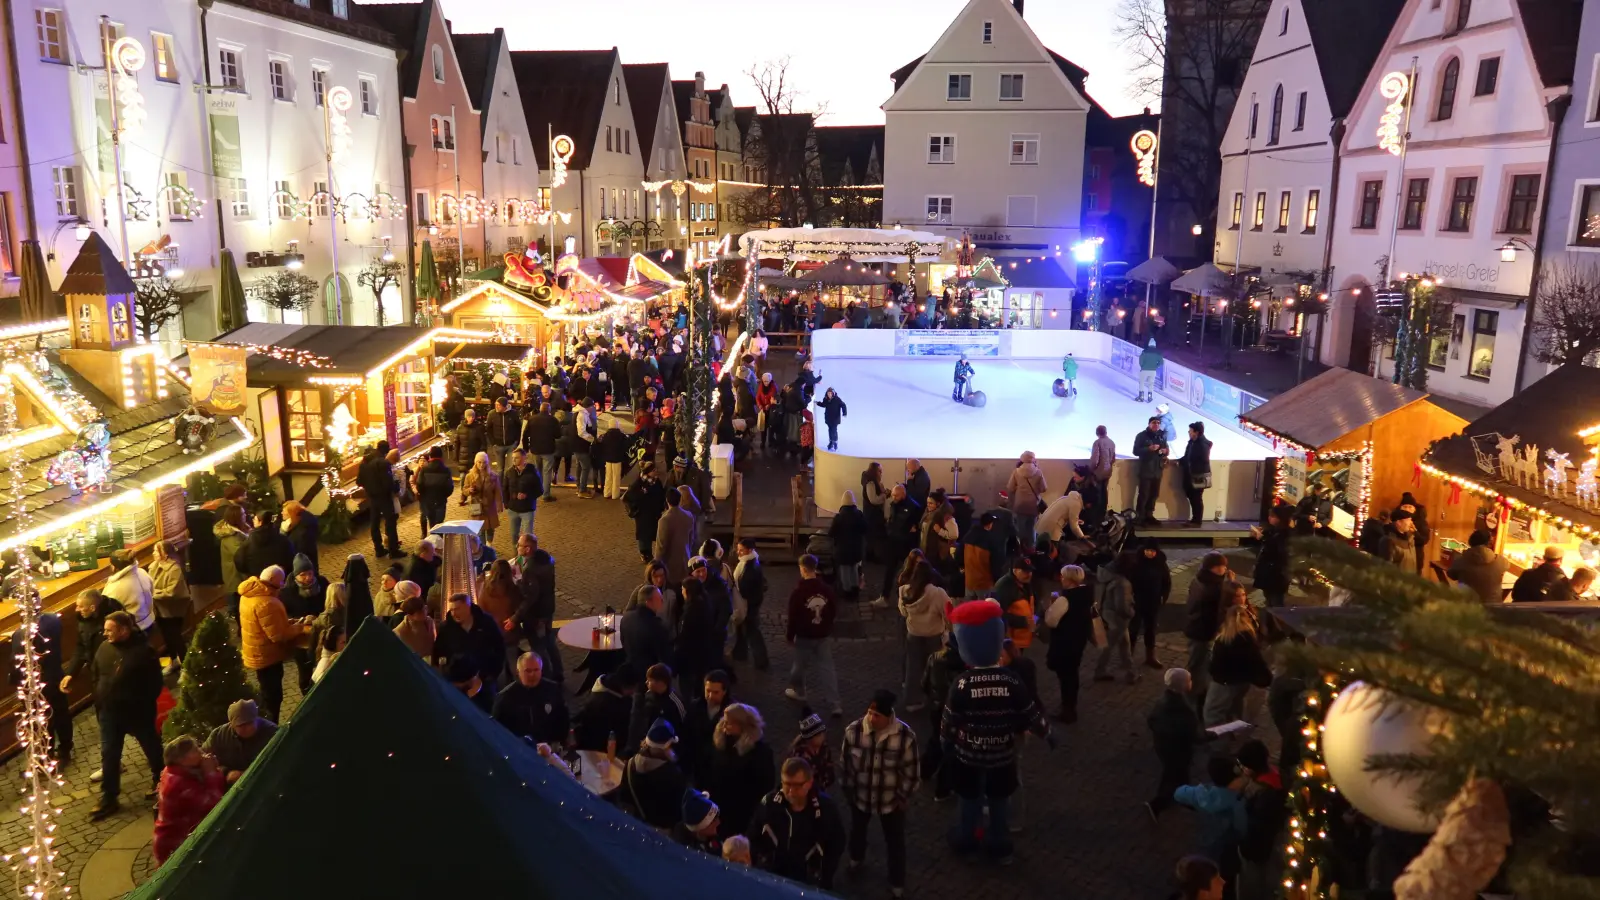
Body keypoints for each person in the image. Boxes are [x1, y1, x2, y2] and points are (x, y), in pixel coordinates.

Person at [941, 600, 1050, 863]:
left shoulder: (962, 683)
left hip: (969, 755)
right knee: (1000, 802)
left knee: (969, 800)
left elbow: (949, 721)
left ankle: (968, 840)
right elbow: (1029, 710)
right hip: (1003, 754)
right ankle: (999, 845)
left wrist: (947, 745)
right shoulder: (1011, 679)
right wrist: (1047, 732)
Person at [71, 611, 162, 819]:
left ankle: (161, 780)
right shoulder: (105, 648)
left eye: (109, 630)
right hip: (110, 713)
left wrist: (137, 703)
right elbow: (96, 673)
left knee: (152, 748)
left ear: (124, 630)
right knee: (109, 753)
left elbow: (154, 685)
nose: (105, 634)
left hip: (137, 713)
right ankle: (109, 797)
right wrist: (101, 699)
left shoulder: (144, 652)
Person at [840, 690, 919, 898]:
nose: (872, 719)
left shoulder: (905, 737)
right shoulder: (853, 732)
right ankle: (855, 859)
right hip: (861, 797)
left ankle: (896, 882)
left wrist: (903, 797)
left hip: (890, 801)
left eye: (877, 716)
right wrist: (848, 791)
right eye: (870, 713)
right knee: (857, 831)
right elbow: (845, 766)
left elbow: (911, 772)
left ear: (888, 716)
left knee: (895, 842)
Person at [750, 756, 846, 889]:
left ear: (809, 782)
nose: (790, 791)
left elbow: (837, 844)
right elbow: (753, 835)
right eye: (786, 784)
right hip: (772, 877)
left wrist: (825, 876)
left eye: (796, 785)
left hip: (808, 882)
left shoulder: (825, 809)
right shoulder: (769, 805)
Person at [238, 567, 309, 725]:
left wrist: (287, 622)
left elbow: (266, 625)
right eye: (280, 584)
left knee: (266, 691)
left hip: (256, 653)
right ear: (272, 583)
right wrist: (298, 627)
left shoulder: (248, 595)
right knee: (273, 696)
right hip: (268, 656)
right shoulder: (267, 603)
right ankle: (270, 727)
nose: (282, 587)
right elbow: (278, 635)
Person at [1146, 668, 1215, 819]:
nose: (1191, 682)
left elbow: (1151, 720)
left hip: (1163, 746)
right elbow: (1194, 737)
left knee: (1179, 775)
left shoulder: (1162, 700)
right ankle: (1157, 804)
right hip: (1177, 751)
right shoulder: (1184, 711)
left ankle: (1185, 800)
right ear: (1183, 685)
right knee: (1173, 778)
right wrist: (1213, 735)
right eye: (1189, 680)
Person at [705, 702, 776, 839]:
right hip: (718, 805)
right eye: (724, 721)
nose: (724, 726)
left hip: (742, 811)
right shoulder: (721, 742)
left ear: (743, 726)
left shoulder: (760, 752)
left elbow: (765, 784)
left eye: (730, 723)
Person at [151, 735, 226, 863]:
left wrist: (213, 770)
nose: (202, 752)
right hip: (175, 846)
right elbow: (215, 804)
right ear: (183, 760)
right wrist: (211, 772)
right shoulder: (178, 783)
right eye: (196, 750)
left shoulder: (177, 770)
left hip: (183, 837)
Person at [11, 610, 71, 765]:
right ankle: (65, 749)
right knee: (61, 714)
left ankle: (47, 755)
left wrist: (15, 681)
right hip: (56, 675)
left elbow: (18, 663)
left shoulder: (20, 634)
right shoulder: (53, 619)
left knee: (43, 720)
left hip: (38, 683)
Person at [785, 554, 842, 717]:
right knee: (827, 669)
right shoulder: (826, 590)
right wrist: (826, 626)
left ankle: (799, 691)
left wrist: (790, 636)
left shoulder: (798, 592)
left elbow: (793, 617)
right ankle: (835, 704)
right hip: (822, 636)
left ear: (802, 569)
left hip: (804, 636)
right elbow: (833, 610)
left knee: (799, 667)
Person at [1175, 756, 1249, 874]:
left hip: (1206, 840)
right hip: (1226, 844)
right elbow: (1242, 829)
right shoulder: (1237, 803)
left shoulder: (1203, 795)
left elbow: (1179, 793)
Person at [1236, 740, 1289, 900]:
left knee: (1254, 881)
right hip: (1269, 840)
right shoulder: (1276, 775)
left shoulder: (1262, 795)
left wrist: (1247, 848)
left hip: (1257, 849)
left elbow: (1257, 828)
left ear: (1250, 768)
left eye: (1242, 765)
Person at [1205, 602, 1272, 726]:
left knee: (1212, 713)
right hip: (1242, 681)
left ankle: (1218, 742)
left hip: (1224, 683)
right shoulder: (1248, 639)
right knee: (1236, 705)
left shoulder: (1224, 641)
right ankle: (1235, 730)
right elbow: (1256, 661)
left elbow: (1216, 666)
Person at [1043, 565, 1094, 723]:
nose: (1061, 579)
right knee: (1072, 674)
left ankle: (1068, 710)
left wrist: (1051, 606)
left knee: (1066, 677)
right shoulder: (1087, 594)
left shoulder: (1065, 599)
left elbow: (1051, 621)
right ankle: (1070, 706)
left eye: (1062, 576)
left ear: (1069, 579)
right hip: (1079, 640)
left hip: (1065, 642)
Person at [898, 558, 949, 712]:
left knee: (913, 668)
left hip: (914, 633)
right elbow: (947, 613)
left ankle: (912, 700)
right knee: (934, 668)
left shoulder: (905, 591)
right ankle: (935, 697)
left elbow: (903, 611)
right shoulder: (938, 593)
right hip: (933, 634)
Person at [621, 718, 689, 830]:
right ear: (665, 747)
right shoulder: (673, 775)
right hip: (662, 832)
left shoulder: (629, 765)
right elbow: (679, 810)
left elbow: (625, 798)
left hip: (636, 826)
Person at [492, 651, 568, 744]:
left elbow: (562, 718)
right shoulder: (505, 697)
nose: (532, 674)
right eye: (528, 671)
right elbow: (497, 730)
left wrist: (560, 741)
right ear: (518, 672)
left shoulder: (552, 689)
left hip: (548, 747)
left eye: (536, 670)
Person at [434, 591, 505, 690]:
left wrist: (491, 675)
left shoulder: (486, 622)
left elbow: (499, 646)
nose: (454, 614)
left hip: (485, 681)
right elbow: (438, 654)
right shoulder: (446, 628)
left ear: (468, 607)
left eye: (457, 609)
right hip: (456, 683)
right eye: (452, 610)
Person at [1185, 552, 1231, 701]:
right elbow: (1219, 603)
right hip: (1203, 630)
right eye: (1219, 566)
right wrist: (1229, 584)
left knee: (1198, 661)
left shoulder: (1200, 579)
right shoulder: (1212, 586)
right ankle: (1193, 693)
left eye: (1224, 566)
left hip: (1196, 627)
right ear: (1211, 568)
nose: (1223, 569)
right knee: (1198, 662)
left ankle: (1196, 689)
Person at [203, 698, 277, 785]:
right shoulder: (218, 736)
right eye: (241, 725)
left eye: (250, 722)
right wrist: (226, 773)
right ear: (232, 725)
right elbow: (204, 759)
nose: (248, 728)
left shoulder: (272, 732)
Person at [1094, 551, 1140, 684]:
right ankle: (1100, 671)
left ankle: (1131, 672)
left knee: (1124, 644)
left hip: (1108, 613)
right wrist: (1132, 612)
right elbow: (1122, 607)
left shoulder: (1107, 575)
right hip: (1118, 618)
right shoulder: (1122, 583)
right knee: (1110, 646)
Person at [573, 662, 639, 754]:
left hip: (586, 738)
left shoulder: (603, 684)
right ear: (626, 686)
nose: (634, 692)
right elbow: (621, 733)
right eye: (634, 688)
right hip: (600, 748)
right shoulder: (617, 706)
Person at [148, 539, 190, 673]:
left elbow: (171, 592)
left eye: (156, 550)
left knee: (176, 638)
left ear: (165, 554)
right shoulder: (153, 567)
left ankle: (186, 666)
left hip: (173, 610)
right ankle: (173, 661)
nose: (153, 553)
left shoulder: (174, 569)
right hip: (159, 609)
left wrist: (153, 593)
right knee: (167, 637)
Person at [877, 484, 923, 608]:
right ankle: (884, 597)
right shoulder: (894, 504)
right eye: (892, 495)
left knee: (908, 571)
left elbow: (911, 526)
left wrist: (907, 529)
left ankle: (908, 598)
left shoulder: (914, 507)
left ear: (903, 494)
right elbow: (893, 522)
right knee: (889, 570)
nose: (893, 497)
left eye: (896, 495)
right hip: (893, 542)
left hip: (906, 545)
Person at [1129, 539, 1171, 668]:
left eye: (1152, 551)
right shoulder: (1136, 563)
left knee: (1150, 629)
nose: (1150, 553)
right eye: (1148, 550)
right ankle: (1128, 656)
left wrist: (1164, 596)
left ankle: (1150, 656)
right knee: (1133, 629)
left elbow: (1166, 581)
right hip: (1137, 601)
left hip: (1153, 602)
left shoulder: (1160, 563)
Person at [628, 663, 688, 754]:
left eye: (650, 680)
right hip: (647, 744)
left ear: (661, 682)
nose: (646, 682)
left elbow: (683, 727)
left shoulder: (675, 702)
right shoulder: (648, 695)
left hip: (667, 749)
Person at [685, 670, 733, 781]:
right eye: (708, 691)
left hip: (721, 769)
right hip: (698, 766)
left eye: (716, 692)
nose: (710, 696)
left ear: (724, 691)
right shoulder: (695, 706)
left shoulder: (732, 711)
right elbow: (686, 732)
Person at [357, 442, 402, 559]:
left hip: (371, 497)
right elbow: (388, 483)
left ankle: (378, 549)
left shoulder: (364, 463)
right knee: (391, 522)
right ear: (386, 450)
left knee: (375, 523)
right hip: (384, 497)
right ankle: (393, 550)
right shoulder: (383, 463)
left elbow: (359, 481)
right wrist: (396, 485)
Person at [731, 537, 769, 670]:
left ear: (750, 550)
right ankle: (739, 653)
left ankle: (761, 660)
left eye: (741, 550)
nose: (738, 552)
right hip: (747, 603)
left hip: (749, 604)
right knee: (742, 629)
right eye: (738, 550)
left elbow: (746, 587)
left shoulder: (750, 566)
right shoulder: (749, 562)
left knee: (752, 632)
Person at [102, 549, 156, 636]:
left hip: (134, 629)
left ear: (114, 567)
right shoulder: (142, 572)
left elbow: (108, 612)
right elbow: (152, 591)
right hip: (150, 621)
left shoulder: (114, 588)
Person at [1448, 528, 1509, 603]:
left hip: (1467, 606)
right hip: (1493, 607)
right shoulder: (1500, 561)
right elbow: (1507, 566)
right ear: (1489, 543)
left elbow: (1451, 574)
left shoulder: (1461, 560)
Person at [622, 584, 673, 673]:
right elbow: (664, 656)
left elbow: (623, 642)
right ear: (649, 602)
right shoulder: (657, 626)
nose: (662, 600)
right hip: (649, 673)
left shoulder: (626, 618)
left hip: (630, 669)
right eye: (659, 598)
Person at [1250, 506, 1293, 608]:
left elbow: (1279, 551)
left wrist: (1262, 538)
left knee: (1276, 602)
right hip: (1269, 574)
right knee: (1269, 599)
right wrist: (1261, 534)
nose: (1269, 518)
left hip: (1277, 575)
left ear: (1280, 518)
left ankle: (1274, 621)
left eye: (1272, 516)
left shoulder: (1286, 534)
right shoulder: (1274, 530)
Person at [625, 463, 668, 562]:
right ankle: (644, 553)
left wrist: (661, 506)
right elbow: (631, 496)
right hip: (643, 514)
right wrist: (642, 494)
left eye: (655, 469)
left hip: (654, 513)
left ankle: (649, 553)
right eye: (653, 470)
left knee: (651, 533)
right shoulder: (639, 483)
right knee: (644, 535)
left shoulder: (656, 482)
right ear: (648, 472)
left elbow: (661, 494)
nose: (655, 472)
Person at [829, 491, 867, 601]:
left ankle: (847, 591)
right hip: (856, 548)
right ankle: (855, 590)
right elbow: (865, 528)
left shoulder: (839, 517)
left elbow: (831, 533)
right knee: (854, 568)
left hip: (842, 550)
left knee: (845, 570)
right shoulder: (859, 514)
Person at [1133, 415, 1169, 527]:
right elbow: (1135, 451)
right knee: (1143, 494)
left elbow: (1166, 450)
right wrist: (1148, 449)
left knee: (1154, 494)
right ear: (1149, 424)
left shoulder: (1161, 436)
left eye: (1158, 423)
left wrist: (1165, 451)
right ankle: (1140, 517)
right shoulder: (1141, 436)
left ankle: (1149, 515)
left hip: (1157, 470)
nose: (1156, 424)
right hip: (1146, 470)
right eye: (1154, 422)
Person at [1005, 450, 1047, 543]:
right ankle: (1032, 549)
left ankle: (1021, 550)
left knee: (1020, 529)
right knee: (1032, 529)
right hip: (1033, 505)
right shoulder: (1038, 472)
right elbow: (1044, 488)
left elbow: (1010, 488)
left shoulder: (1016, 471)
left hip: (1020, 505)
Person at [788, 708, 835, 792]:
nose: (823, 736)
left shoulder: (824, 747)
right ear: (809, 738)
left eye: (823, 732)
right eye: (819, 734)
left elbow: (829, 765)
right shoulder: (800, 756)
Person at [653, 489, 694, 584]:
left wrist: (656, 564)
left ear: (667, 500)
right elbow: (691, 538)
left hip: (669, 563)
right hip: (685, 558)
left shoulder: (664, 520)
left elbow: (661, 546)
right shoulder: (688, 515)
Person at [503, 449, 543, 544]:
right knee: (514, 535)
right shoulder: (509, 472)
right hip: (513, 509)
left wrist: (527, 496)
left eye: (516, 458)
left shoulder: (533, 472)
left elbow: (540, 490)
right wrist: (507, 504)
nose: (513, 460)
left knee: (527, 537)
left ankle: (526, 557)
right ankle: (516, 555)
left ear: (524, 458)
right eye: (513, 458)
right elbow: (504, 489)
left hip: (527, 509)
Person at [464, 451, 504, 545]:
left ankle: (489, 544)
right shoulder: (470, 476)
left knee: (490, 528)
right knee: (480, 529)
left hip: (489, 506)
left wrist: (499, 504)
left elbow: (498, 491)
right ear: (476, 462)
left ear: (487, 463)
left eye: (484, 462)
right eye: (479, 462)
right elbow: (464, 490)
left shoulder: (493, 476)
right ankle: (482, 547)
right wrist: (469, 490)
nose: (482, 465)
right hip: (476, 506)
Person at [413, 446, 455, 534]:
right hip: (440, 500)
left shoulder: (424, 470)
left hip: (428, 501)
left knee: (432, 523)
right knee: (439, 523)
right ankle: (440, 543)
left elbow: (419, 484)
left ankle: (433, 543)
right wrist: (444, 495)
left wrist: (424, 495)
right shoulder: (446, 470)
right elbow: (450, 487)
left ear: (430, 456)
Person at [1180, 422, 1213, 526]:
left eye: (1190, 430)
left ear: (1196, 432)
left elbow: (1202, 460)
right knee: (1192, 496)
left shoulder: (1202, 445)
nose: (1188, 432)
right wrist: (1179, 461)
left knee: (1196, 498)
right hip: (1191, 475)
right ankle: (1195, 519)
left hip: (1198, 476)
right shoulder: (1192, 442)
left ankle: (1197, 521)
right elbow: (1187, 457)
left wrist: (1189, 463)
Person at [675, 787, 724, 854]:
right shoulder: (686, 851)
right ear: (700, 828)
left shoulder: (714, 840)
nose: (718, 822)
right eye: (713, 821)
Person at [392, 590, 436, 658]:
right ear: (410, 616)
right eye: (420, 613)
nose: (425, 613)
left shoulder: (429, 621)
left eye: (425, 609)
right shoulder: (400, 632)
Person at [1398, 491, 1432, 575]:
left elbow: (1424, 540)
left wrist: (1415, 532)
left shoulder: (1421, 522)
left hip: (1416, 558)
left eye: (1410, 507)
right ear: (1400, 508)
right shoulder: (1396, 520)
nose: (1407, 509)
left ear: (1414, 509)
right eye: (1405, 507)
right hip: (1399, 558)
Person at [280, 501, 320, 571]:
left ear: (291, 513)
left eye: (284, 511)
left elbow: (297, 552)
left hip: (302, 569)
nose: (282, 513)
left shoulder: (302, 531)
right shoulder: (295, 525)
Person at [816, 387, 847, 451]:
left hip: (835, 418)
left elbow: (843, 405)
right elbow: (824, 405)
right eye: (828, 393)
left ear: (833, 393)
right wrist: (818, 403)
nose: (829, 394)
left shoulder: (837, 399)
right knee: (830, 430)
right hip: (828, 418)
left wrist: (844, 413)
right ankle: (831, 441)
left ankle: (835, 442)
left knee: (834, 430)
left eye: (830, 393)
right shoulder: (826, 399)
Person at [1137, 337, 1162, 402]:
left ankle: (1141, 396)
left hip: (1144, 370)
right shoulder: (1158, 353)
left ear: (1149, 344)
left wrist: (1142, 366)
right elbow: (1161, 362)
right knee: (1151, 384)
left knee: (1142, 383)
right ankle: (1150, 397)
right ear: (1155, 344)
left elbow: (1140, 360)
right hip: (1153, 371)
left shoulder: (1145, 351)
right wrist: (1155, 366)